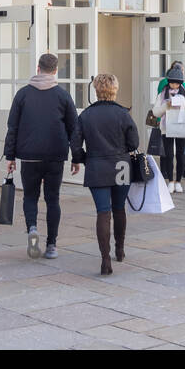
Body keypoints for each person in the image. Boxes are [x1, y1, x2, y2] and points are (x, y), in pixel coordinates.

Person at [4, 52, 77, 260]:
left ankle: (33, 229)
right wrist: (77, 157)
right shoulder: (63, 96)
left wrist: (10, 156)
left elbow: (13, 127)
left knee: (30, 197)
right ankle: (52, 245)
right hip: (55, 155)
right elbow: (74, 128)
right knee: (53, 199)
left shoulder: (23, 94)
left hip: (29, 156)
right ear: (55, 71)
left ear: (38, 68)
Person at [70, 73, 139, 275]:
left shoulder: (86, 115)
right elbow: (134, 143)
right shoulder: (123, 114)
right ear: (114, 90)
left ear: (96, 90)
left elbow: (75, 143)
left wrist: (82, 158)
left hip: (97, 165)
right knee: (119, 208)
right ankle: (120, 249)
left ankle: (105, 259)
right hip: (121, 166)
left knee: (103, 212)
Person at [153, 64, 185, 196]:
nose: (174, 86)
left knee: (180, 155)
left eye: (177, 83)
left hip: (181, 127)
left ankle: (179, 182)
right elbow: (155, 112)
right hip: (166, 128)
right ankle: (170, 181)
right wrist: (167, 105)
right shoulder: (162, 94)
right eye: (172, 83)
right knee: (169, 155)